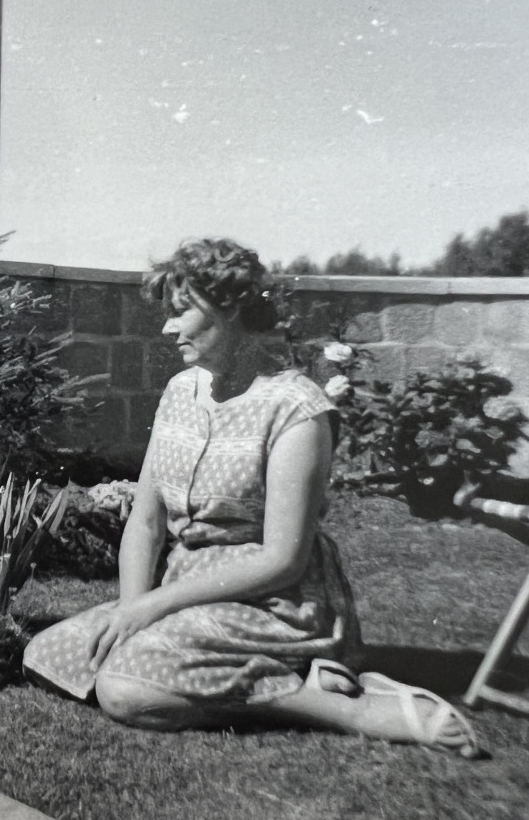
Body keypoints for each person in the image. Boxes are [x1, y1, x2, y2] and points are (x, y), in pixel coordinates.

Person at [23, 238, 479, 758]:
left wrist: (152, 608)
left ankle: (341, 705)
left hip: (277, 603)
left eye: (181, 311)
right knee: (49, 654)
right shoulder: (179, 392)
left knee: (125, 690)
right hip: (188, 589)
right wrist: (132, 609)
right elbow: (146, 524)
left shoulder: (295, 408)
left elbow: (282, 559)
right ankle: (292, 680)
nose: (167, 327)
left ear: (231, 307)